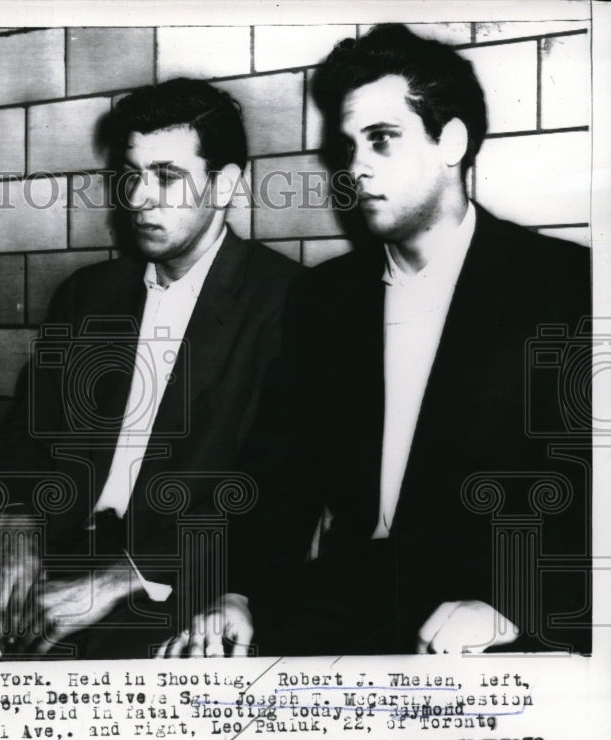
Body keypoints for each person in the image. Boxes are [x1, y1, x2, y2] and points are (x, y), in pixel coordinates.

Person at [161, 24, 592, 657]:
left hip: (498, 616)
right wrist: (238, 593)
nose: (355, 168)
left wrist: (516, 610)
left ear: (452, 141)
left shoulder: (566, 285)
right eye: (348, 145)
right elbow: (280, 469)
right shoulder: (327, 297)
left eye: (382, 140)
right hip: (345, 601)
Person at [0, 78, 303, 660]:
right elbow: (25, 436)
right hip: (54, 562)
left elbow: (275, 493)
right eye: (132, 174)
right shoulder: (87, 295)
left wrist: (131, 572)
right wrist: (16, 520)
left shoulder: (288, 302)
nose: (140, 198)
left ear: (225, 185)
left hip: (183, 586)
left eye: (168, 177)